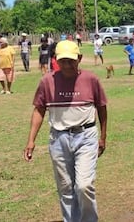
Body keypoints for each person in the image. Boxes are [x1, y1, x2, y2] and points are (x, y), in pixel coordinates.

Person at [23, 40, 108, 222]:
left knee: (84, 186)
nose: (67, 65)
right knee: (65, 187)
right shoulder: (47, 81)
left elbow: (102, 108)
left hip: (86, 136)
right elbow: (39, 109)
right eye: (63, 61)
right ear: (55, 60)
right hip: (58, 138)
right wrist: (31, 141)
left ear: (79, 58)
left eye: (71, 61)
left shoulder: (90, 79)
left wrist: (103, 137)